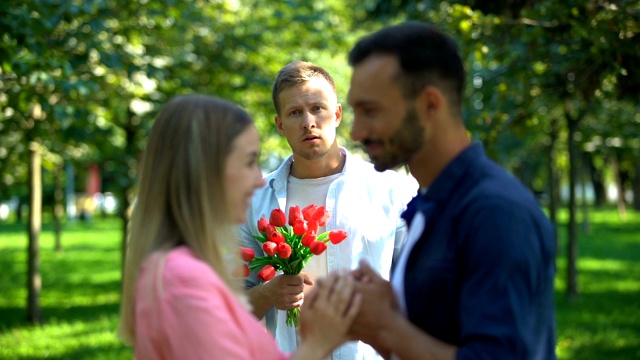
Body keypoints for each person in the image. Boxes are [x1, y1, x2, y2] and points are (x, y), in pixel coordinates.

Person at [346, 22, 557, 359]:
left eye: (370, 111)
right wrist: (387, 316)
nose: (356, 132)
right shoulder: (430, 203)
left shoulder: (495, 212)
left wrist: (387, 326)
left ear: (430, 104)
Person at [117, 94, 362, 360]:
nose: (259, 182)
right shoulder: (183, 279)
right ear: (204, 171)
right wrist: (320, 341)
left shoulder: (176, 269)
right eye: (248, 162)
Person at [239, 61, 417, 359]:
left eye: (317, 108)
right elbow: (228, 309)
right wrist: (267, 293)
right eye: (295, 112)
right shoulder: (252, 200)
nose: (308, 121)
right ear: (280, 125)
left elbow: (421, 292)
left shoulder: (393, 190)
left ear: (337, 114)